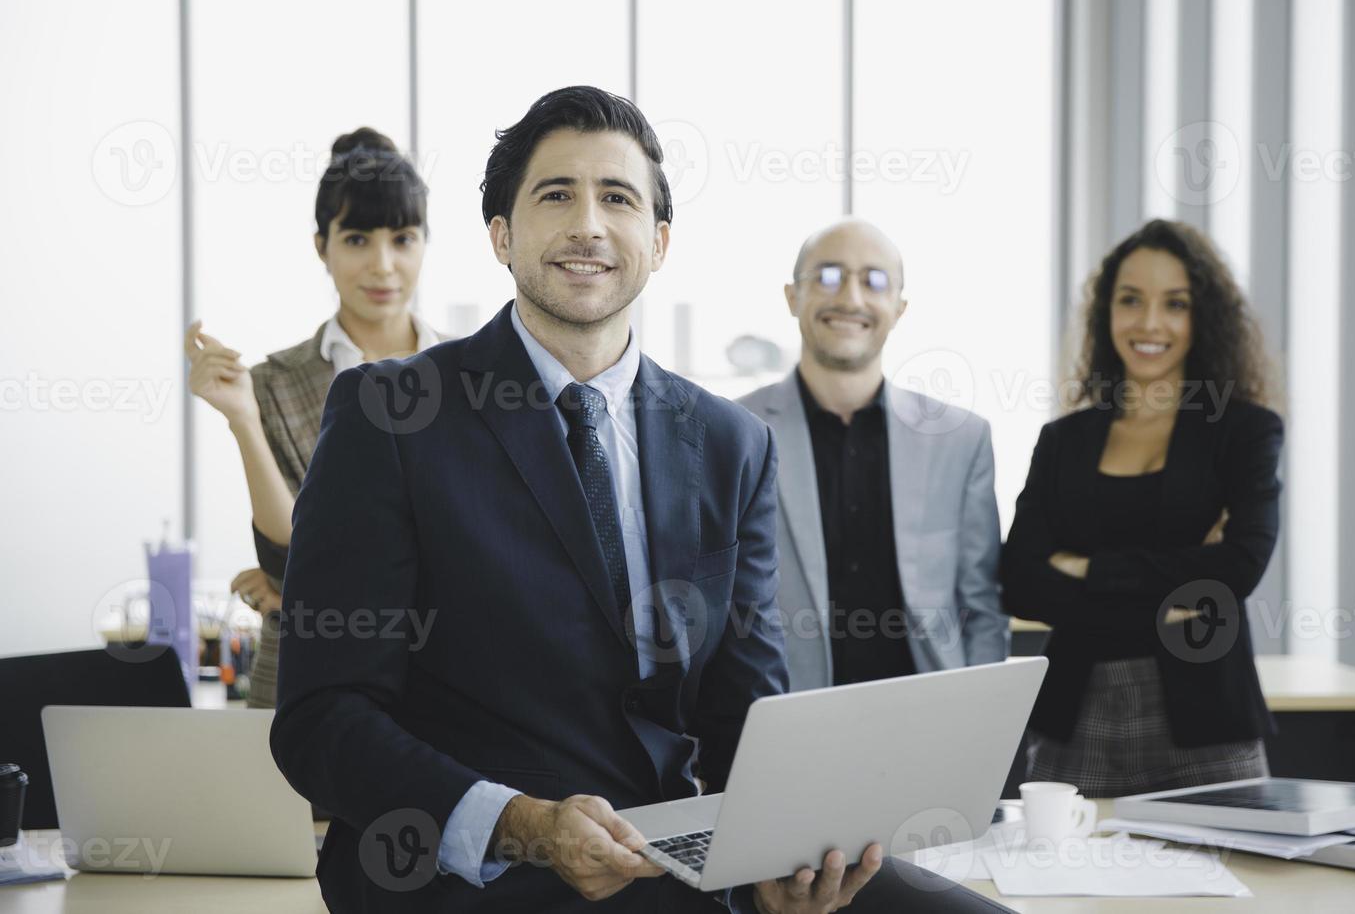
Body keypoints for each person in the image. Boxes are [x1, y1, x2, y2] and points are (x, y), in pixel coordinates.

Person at [269, 87, 1008, 913]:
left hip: (676, 852)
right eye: (557, 194)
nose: (588, 223)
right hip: (477, 869)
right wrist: (524, 822)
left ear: (657, 243)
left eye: (617, 198)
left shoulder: (732, 444)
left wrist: (786, 856)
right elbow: (321, 719)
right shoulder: (394, 416)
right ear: (501, 237)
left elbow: (747, 708)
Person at [1000, 218, 1282, 798]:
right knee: (1063, 888)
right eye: (1131, 300)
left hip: (1209, 730)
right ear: (1107, 311)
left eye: (1174, 304)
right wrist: (1173, 597)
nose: (1150, 323)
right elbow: (1020, 580)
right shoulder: (1064, 441)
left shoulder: (1244, 432)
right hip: (1073, 723)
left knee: (1229, 884)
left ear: (1202, 317)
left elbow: (1237, 569)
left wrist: (1088, 568)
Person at [184, 127, 442, 709]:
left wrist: (307, 595)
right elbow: (291, 557)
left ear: (425, 243)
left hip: (447, 673)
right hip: (307, 677)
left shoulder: (474, 376)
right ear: (321, 247)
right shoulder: (274, 383)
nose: (382, 266)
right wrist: (243, 419)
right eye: (356, 239)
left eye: (403, 239)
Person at [737, 219, 1007, 692]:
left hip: (931, 723)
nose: (851, 298)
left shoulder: (961, 439)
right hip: (782, 722)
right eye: (828, 275)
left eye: (874, 280)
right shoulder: (732, 431)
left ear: (899, 308)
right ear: (791, 296)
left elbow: (981, 607)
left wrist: (986, 731)